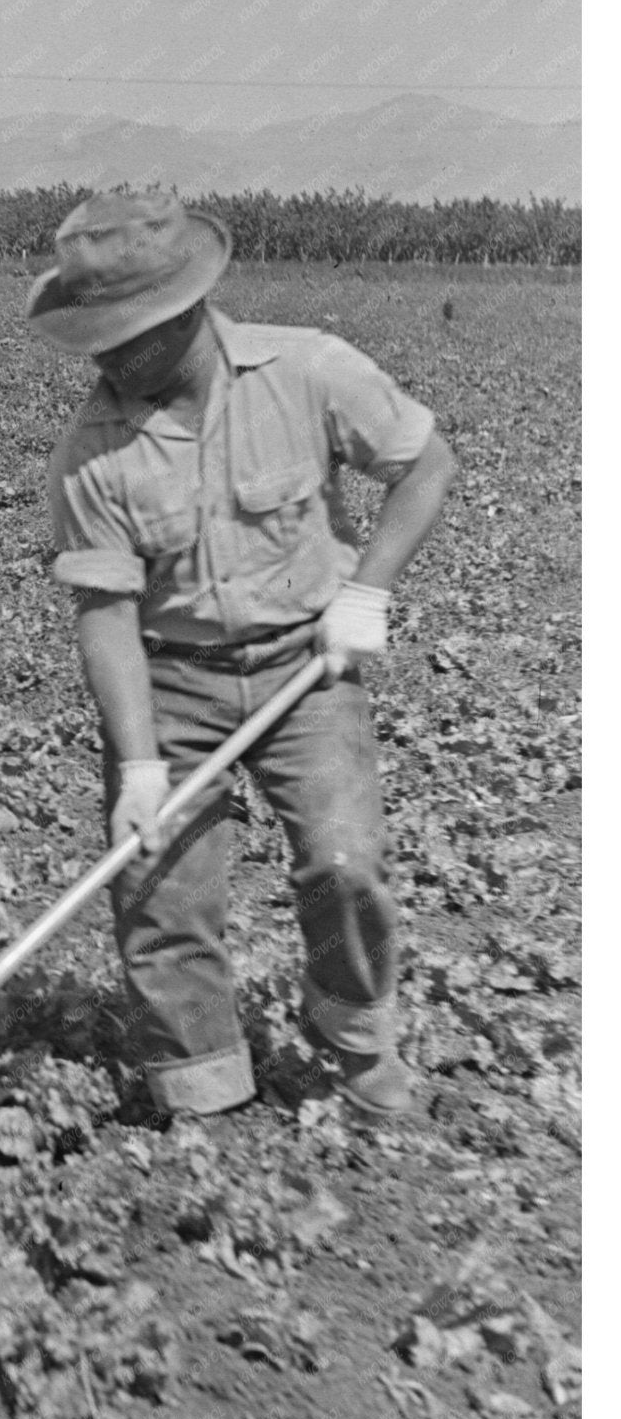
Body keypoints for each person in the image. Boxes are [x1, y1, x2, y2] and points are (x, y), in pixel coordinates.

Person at [28, 190, 457, 1120]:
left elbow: (425, 466)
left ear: (186, 313)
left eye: (125, 337)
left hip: (307, 670)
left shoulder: (307, 369)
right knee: (161, 892)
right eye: (93, 338)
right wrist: (140, 765)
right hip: (171, 680)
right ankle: (202, 1088)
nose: (106, 358)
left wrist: (366, 589)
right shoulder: (91, 452)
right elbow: (106, 611)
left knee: (346, 863)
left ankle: (355, 1038)